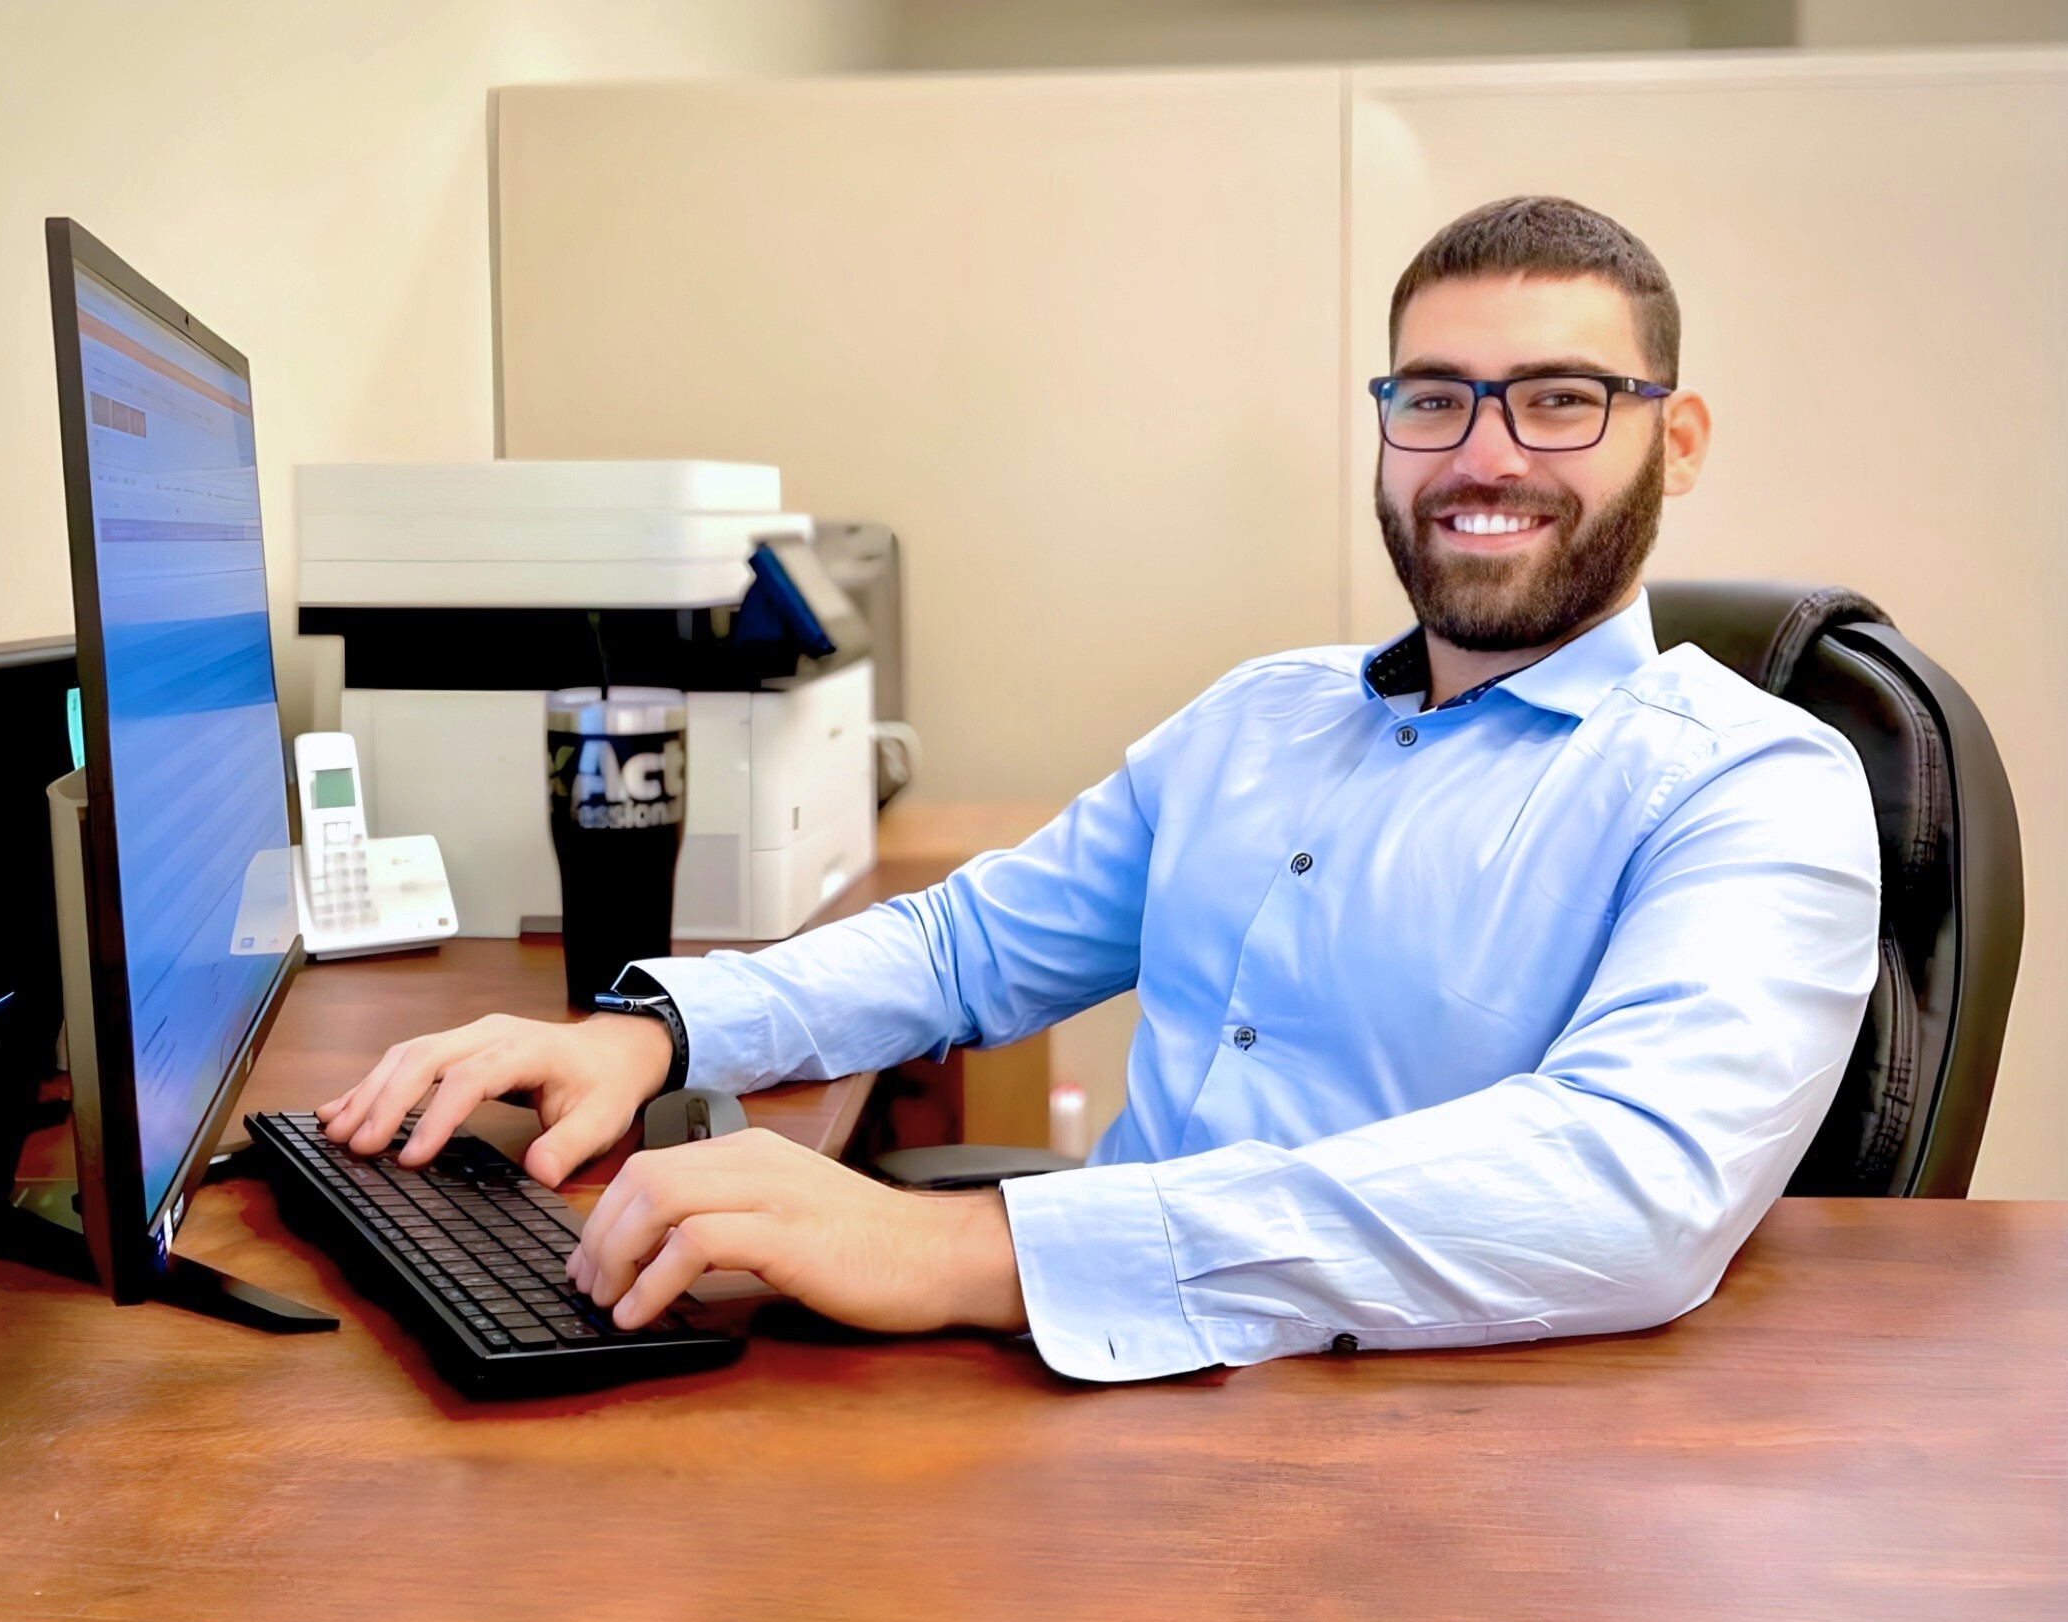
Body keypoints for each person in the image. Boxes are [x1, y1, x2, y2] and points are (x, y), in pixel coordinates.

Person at [319, 197, 1880, 1383]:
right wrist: (648, 1026)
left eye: (1557, 398)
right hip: (1097, 1399)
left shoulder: (1758, 787)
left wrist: (969, 1245)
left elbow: (1628, 1187)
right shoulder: (1262, 718)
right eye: (1430, 397)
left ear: (1672, 439)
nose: (1481, 455)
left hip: (1415, 1449)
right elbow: (963, 947)